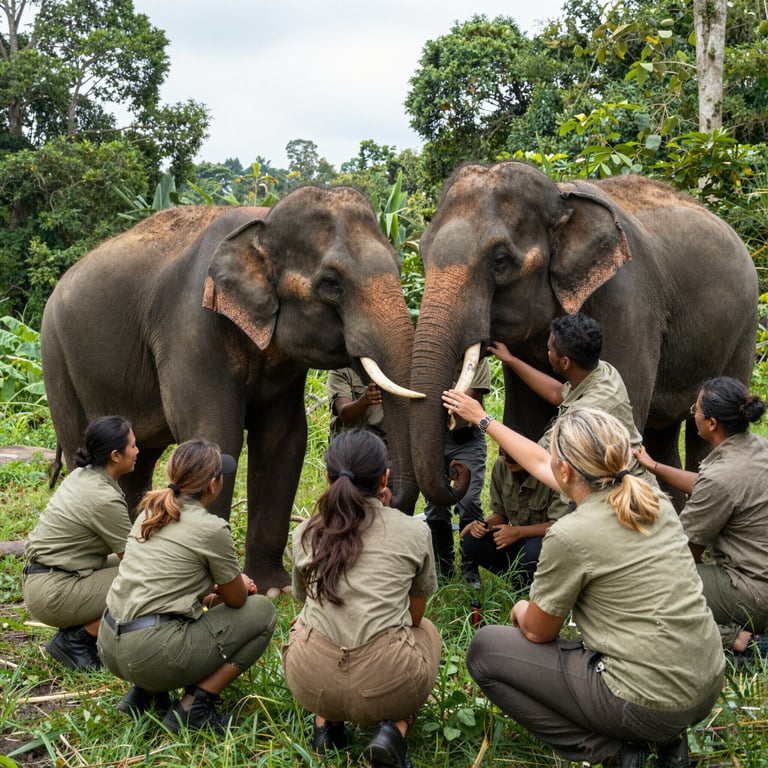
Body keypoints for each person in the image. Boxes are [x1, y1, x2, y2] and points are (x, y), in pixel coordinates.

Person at [442, 389, 724, 767]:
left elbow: (539, 632)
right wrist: (484, 419)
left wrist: (520, 609)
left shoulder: (571, 534)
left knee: (485, 651)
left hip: (646, 701)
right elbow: (540, 459)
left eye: (555, 456)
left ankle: (615, 753)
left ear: (567, 471)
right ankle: (669, 742)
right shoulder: (652, 500)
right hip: (706, 683)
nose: (549, 461)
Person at [282, 429, 441, 768]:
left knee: (305, 625)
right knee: (427, 630)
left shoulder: (305, 531)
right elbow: (413, 617)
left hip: (311, 679)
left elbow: (302, 601)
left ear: (327, 477)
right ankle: (393, 730)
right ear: (385, 477)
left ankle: (326, 725)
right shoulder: (413, 530)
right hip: (388, 681)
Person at [97, 439, 277, 734]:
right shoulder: (211, 529)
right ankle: (194, 707)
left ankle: (145, 693)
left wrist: (210, 594)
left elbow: (161, 587)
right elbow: (236, 601)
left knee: (161, 618)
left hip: (109, 643)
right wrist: (240, 584)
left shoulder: (148, 513)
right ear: (214, 485)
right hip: (150, 652)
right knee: (262, 612)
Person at [634, 376, 768, 654]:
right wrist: (655, 466)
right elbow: (711, 485)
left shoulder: (721, 478)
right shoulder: (757, 447)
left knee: (646, 584)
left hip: (753, 593)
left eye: (696, 411)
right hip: (761, 576)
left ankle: (736, 640)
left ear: (711, 424)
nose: (693, 415)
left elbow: (684, 554)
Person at [491, 313, 654, 518]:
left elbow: (539, 458)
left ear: (565, 362)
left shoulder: (586, 412)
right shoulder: (602, 372)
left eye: (550, 349)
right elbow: (557, 393)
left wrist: (481, 418)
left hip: (619, 502)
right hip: (612, 488)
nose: (547, 352)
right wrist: (512, 361)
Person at [23, 415, 138, 670]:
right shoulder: (103, 498)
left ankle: (83, 628)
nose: (137, 451)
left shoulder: (84, 475)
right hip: (54, 592)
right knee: (144, 581)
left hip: (45, 578)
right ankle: (77, 639)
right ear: (116, 455)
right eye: (133, 446)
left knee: (135, 572)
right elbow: (135, 562)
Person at [424, 356, 491, 589]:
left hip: (467, 438)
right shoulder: (428, 356)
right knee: (435, 504)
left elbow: (468, 401)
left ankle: (470, 568)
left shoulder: (477, 360)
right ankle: (443, 567)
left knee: (470, 500)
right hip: (434, 438)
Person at [460, 446, 554, 587]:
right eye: (504, 455)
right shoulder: (501, 465)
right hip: (517, 539)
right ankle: (519, 581)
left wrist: (518, 532)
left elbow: (559, 526)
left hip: (548, 543)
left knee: (531, 553)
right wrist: (482, 525)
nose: (507, 461)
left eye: (514, 457)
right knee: (472, 541)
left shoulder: (551, 471)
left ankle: (535, 585)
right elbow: (500, 514)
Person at [327, 367, 386, 442]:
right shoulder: (339, 370)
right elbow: (344, 413)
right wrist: (364, 401)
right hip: (350, 441)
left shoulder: (390, 366)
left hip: (384, 439)